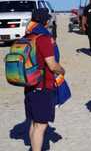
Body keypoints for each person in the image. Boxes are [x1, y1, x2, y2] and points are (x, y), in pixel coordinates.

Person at [25, 9, 65, 151]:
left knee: (34, 123)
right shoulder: (43, 38)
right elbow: (52, 65)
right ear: (45, 21)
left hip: (30, 84)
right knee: (41, 125)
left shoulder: (29, 36)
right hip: (42, 86)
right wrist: (62, 71)